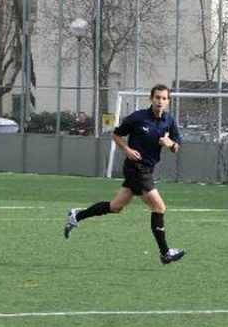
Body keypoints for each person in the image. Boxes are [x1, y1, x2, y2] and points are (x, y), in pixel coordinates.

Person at [63, 84, 185, 264]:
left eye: (164, 98)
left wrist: (170, 144)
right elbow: (116, 134)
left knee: (116, 207)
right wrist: (126, 149)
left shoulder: (169, 120)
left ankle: (77, 216)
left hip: (147, 169)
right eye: (157, 97)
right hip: (135, 167)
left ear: (168, 101)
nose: (160, 101)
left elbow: (177, 146)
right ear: (151, 99)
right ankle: (165, 253)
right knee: (159, 208)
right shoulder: (138, 117)